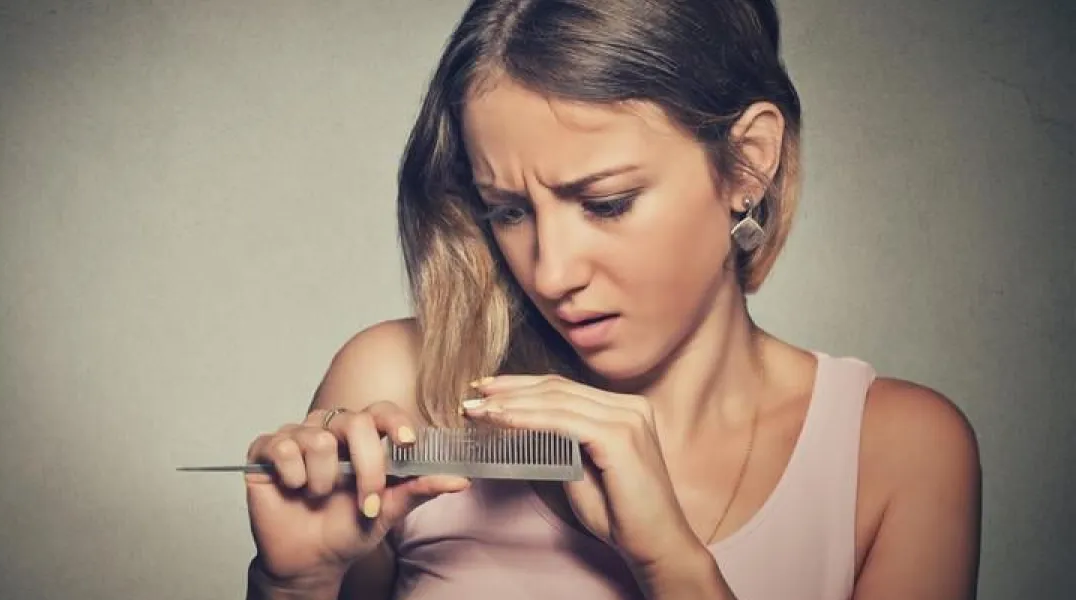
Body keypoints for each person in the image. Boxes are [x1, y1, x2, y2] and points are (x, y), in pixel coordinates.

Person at [240, 0, 982, 598]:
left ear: (748, 163)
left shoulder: (897, 453)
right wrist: (297, 584)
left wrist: (673, 566)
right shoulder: (398, 391)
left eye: (607, 202)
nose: (552, 272)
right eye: (509, 210)